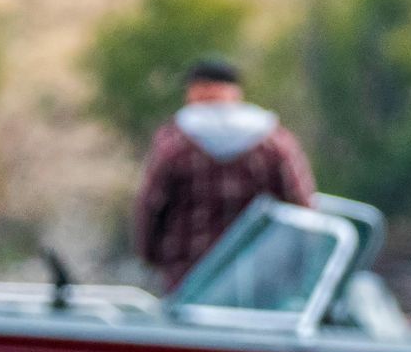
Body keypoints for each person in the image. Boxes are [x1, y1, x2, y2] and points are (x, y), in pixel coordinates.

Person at [133, 58, 317, 290]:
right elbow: (300, 204)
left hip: (190, 277)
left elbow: (151, 205)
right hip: (261, 277)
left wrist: (150, 256)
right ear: (236, 93)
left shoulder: (174, 144)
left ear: (192, 93)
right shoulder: (273, 142)